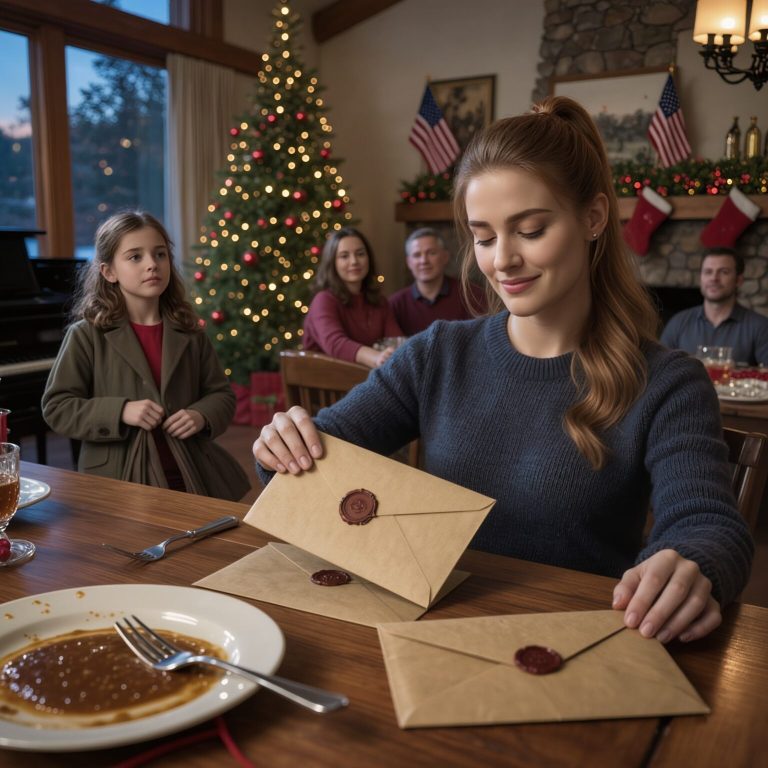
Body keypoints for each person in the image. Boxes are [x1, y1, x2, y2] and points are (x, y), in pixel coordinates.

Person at [253, 97, 753, 645]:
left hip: (575, 648)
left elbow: (709, 526)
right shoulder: (438, 353)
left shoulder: (668, 382)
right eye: (484, 237)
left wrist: (693, 563)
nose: (501, 260)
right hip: (428, 639)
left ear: (593, 218)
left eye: (531, 230)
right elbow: (311, 460)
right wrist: (284, 445)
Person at [42, 211, 250, 501]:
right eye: (135, 257)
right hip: (120, 480)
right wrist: (121, 411)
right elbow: (57, 407)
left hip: (191, 472)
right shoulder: (86, 335)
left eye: (160, 254)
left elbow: (222, 395)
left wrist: (201, 415)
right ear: (108, 272)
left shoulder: (190, 332)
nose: (152, 264)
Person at [302, 227, 403, 368]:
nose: (354, 261)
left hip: (366, 381)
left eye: (360, 254)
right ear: (333, 263)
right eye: (344, 256)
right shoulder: (323, 300)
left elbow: (396, 342)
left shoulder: (379, 302)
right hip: (327, 384)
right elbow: (336, 344)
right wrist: (376, 357)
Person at [660, 247, 768, 365]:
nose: (714, 278)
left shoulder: (760, 327)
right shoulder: (678, 323)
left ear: (738, 280)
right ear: (701, 278)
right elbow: (660, 371)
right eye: (708, 272)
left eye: (724, 272)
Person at [389, 227, 486, 335]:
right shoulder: (396, 304)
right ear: (409, 262)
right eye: (417, 255)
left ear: (445, 257)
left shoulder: (472, 295)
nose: (424, 261)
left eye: (431, 253)